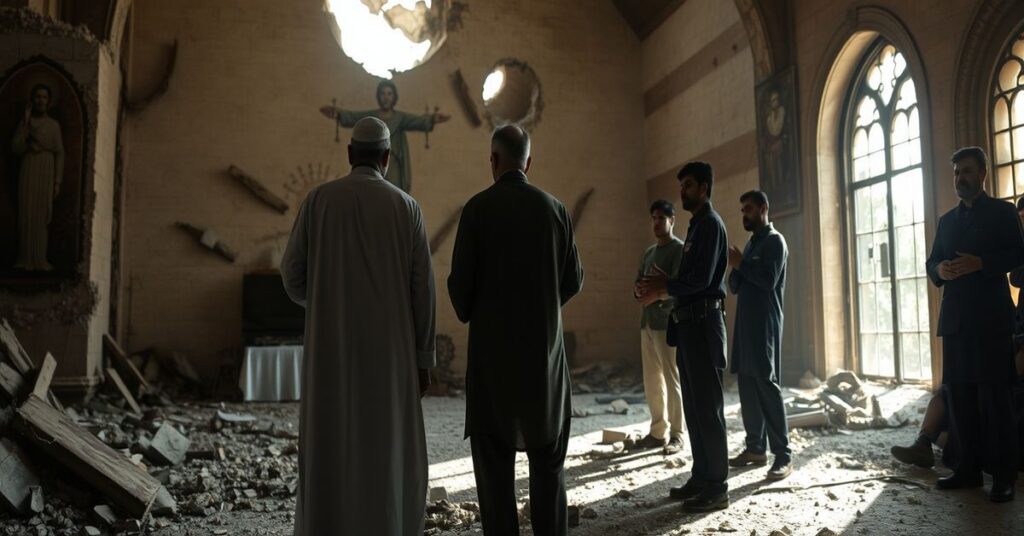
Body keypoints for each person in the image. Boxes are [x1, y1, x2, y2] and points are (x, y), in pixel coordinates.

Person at [281, 116, 437, 534]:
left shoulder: (319, 201)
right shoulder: (407, 207)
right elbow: (423, 291)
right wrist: (424, 359)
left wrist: (331, 305)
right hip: (391, 356)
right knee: (386, 445)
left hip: (331, 350)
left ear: (350, 154)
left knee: (332, 440)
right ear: (388, 157)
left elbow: (292, 275)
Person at [448, 124, 583, 535]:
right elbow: (574, 279)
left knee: (494, 481)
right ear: (529, 162)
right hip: (544, 369)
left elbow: (460, 298)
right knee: (548, 472)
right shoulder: (555, 209)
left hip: (493, 370)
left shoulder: (477, 209)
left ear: (493, 160)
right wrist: (541, 306)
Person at [925, 146, 1024, 503]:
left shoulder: (1003, 212)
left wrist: (981, 263)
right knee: (960, 398)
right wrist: (940, 269)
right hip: (955, 321)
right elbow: (932, 260)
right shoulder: (946, 221)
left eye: (966, 172)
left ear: (982, 174)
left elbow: (1018, 254)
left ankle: (1003, 477)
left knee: (996, 400)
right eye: (956, 173)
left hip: (991, 320)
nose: (960, 179)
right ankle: (967, 470)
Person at [639, 161, 730, 512]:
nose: (683, 191)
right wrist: (666, 284)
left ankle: (717, 486)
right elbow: (688, 277)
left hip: (705, 325)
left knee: (708, 409)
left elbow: (702, 280)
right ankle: (702, 476)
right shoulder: (696, 226)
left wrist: (665, 287)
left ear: (704, 188)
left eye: (689, 185)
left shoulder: (711, 225)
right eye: (682, 186)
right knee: (693, 406)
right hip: (689, 325)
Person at [726, 190, 792, 480]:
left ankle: (783, 454)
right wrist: (738, 266)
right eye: (742, 210)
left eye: (749, 209)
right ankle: (755, 448)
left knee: (766, 385)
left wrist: (741, 264)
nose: (744, 215)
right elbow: (735, 286)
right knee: (747, 386)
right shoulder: (752, 243)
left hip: (765, 325)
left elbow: (767, 280)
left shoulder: (775, 242)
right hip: (745, 325)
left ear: (764, 208)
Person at [320, 79, 450, 194]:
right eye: (383, 93)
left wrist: (433, 119)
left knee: (394, 194)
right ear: (378, 96)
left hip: (394, 164)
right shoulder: (372, 116)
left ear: (394, 97)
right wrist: (339, 114)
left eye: (389, 94)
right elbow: (354, 117)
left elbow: (417, 121)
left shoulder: (400, 118)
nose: (386, 97)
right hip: (375, 162)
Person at [631, 199, 687, 455]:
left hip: (668, 323)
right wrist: (638, 290)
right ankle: (657, 432)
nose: (656, 223)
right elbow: (639, 281)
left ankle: (677, 434)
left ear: (672, 221)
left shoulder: (679, 250)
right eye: (653, 218)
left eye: (661, 218)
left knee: (672, 379)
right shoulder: (649, 252)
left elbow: (680, 287)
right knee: (652, 380)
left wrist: (657, 295)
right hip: (647, 323)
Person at [11, 83, 63, 272]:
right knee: (27, 212)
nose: (41, 100)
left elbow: (59, 152)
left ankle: (40, 259)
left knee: (41, 215)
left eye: (44, 97)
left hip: (46, 170)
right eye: (38, 97)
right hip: (29, 168)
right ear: (32, 100)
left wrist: (57, 181)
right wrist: (25, 124)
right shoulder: (26, 123)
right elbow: (16, 148)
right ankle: (25, 258)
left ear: (49, 102)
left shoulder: (53, 125)